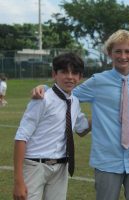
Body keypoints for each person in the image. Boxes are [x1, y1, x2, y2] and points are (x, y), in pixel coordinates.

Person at [31, 30, 129, 200]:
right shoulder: (98, 81)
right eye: (118, 51)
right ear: (110, 53)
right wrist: (45, 89)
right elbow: (68, 93)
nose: (123, 56)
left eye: (128, 51)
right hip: (106, 159)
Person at [13, 53, 91, 200]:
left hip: (61, 167)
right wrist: (18, 181)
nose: (70, 77)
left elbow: (82, 128)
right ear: (54, 74)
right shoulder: (42, 99)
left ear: (80, 77)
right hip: (35, 165)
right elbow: (21, 137)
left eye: (74, 73)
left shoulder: (74, 101)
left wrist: (105, 112)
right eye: (64, 72)